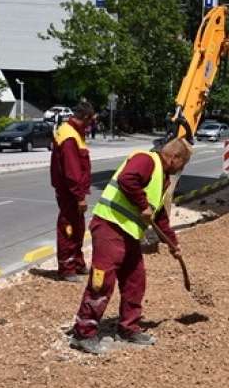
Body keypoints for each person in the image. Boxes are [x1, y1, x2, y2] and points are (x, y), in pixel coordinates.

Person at [69, 138, 192, 354]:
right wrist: (142, 204)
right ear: (174, 158)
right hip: (110, 226)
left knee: (136, 279)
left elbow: (160, 217)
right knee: (102, 281)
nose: (181, 169)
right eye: (183, 164)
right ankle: (83, 333)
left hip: (128, 233)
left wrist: (173, 244)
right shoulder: (146, 160)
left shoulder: (161, 179)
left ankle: (128, 327)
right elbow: (128, 179)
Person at [50, 101, 96, 282]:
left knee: (77, 228)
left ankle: (77, 263)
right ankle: (67, 268)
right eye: (90, 121)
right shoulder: (69, 137)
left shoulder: (72, 132)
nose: (91, 125)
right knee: (68, 229)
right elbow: (72, 170)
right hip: (70, 193)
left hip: (72, 192)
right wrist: (79, 196)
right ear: (84, 118)